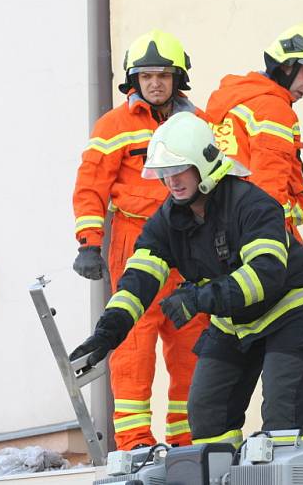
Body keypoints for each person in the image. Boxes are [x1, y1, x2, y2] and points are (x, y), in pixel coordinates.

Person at [70, 112, 303, 447]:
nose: (172, 181)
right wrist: (107, 334)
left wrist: (198, 299)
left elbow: (264, 276)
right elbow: (138, 280)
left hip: (292, 311)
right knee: (207, 414)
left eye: (179, 170)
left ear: (204, 166)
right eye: (164, 173)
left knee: (282, 423)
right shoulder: (167, 220)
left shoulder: (252, 204)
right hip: (235, 320)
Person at [204, 23, 303, 447]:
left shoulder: (227, 104)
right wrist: (277, 229)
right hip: (270, 236)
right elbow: (271, 182)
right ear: (286, 64)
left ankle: (230, 443)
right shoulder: (273, 109)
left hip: (230, 240)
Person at [71, 29, 209, 450]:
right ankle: (134, 442)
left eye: (163, 75)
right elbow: (91, 183)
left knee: (194, 344)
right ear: (134, 80)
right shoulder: (114, 125)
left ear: (177, 79)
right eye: (146, 76)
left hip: (189, 244)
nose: (154, 83)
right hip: (136, 243)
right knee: (134, 344)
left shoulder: (198, 122)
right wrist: (88, 242)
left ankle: (188, 442)